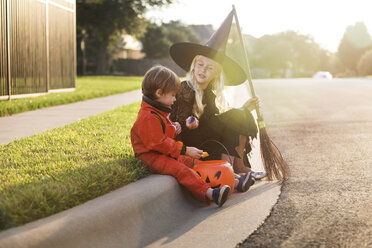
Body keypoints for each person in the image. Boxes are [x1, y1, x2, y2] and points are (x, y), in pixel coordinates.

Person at [130, 65, 253, 208]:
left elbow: (163, 134)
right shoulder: (148, 116)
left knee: (194, 163)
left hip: (162, 152)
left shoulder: (158, 111)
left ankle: (234, 182)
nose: (175, 99)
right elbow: (158, 143)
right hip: (151, 156)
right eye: (172, 95)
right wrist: (185, 150)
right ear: (159, 93)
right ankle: (209, 193)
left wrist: (175, 127)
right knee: (182, 170)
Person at [169, 12, 267, 180]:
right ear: (193, 66)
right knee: (236, 115)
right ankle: (230, 171)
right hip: (189, 139)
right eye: (200, 65)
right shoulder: (186, 88)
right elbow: (179, 125)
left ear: (216, 74)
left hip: (206, 136)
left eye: (210, 68)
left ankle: (238, 166)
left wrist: (243, 110)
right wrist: (190, 123)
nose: (203, 70)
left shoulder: (209, 92)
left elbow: (215, 121)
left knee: (239, 116)